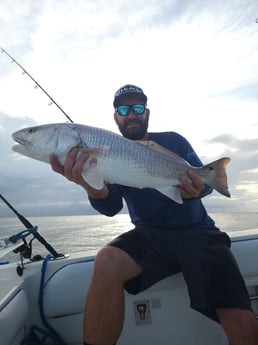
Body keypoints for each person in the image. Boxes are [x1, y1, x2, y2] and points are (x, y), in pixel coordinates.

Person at [50, 84, 258, 345]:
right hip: (149, 237)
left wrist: (198, 189)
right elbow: (110, 205)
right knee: (106, 260)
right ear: (115, 117)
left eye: (137, 108)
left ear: (147, 112)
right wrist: (85, 182)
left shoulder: (174, 140)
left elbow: (203, 182)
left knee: (243, 323)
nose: (131, 114)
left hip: (198, 233)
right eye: (123, 109)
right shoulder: (108, 151)